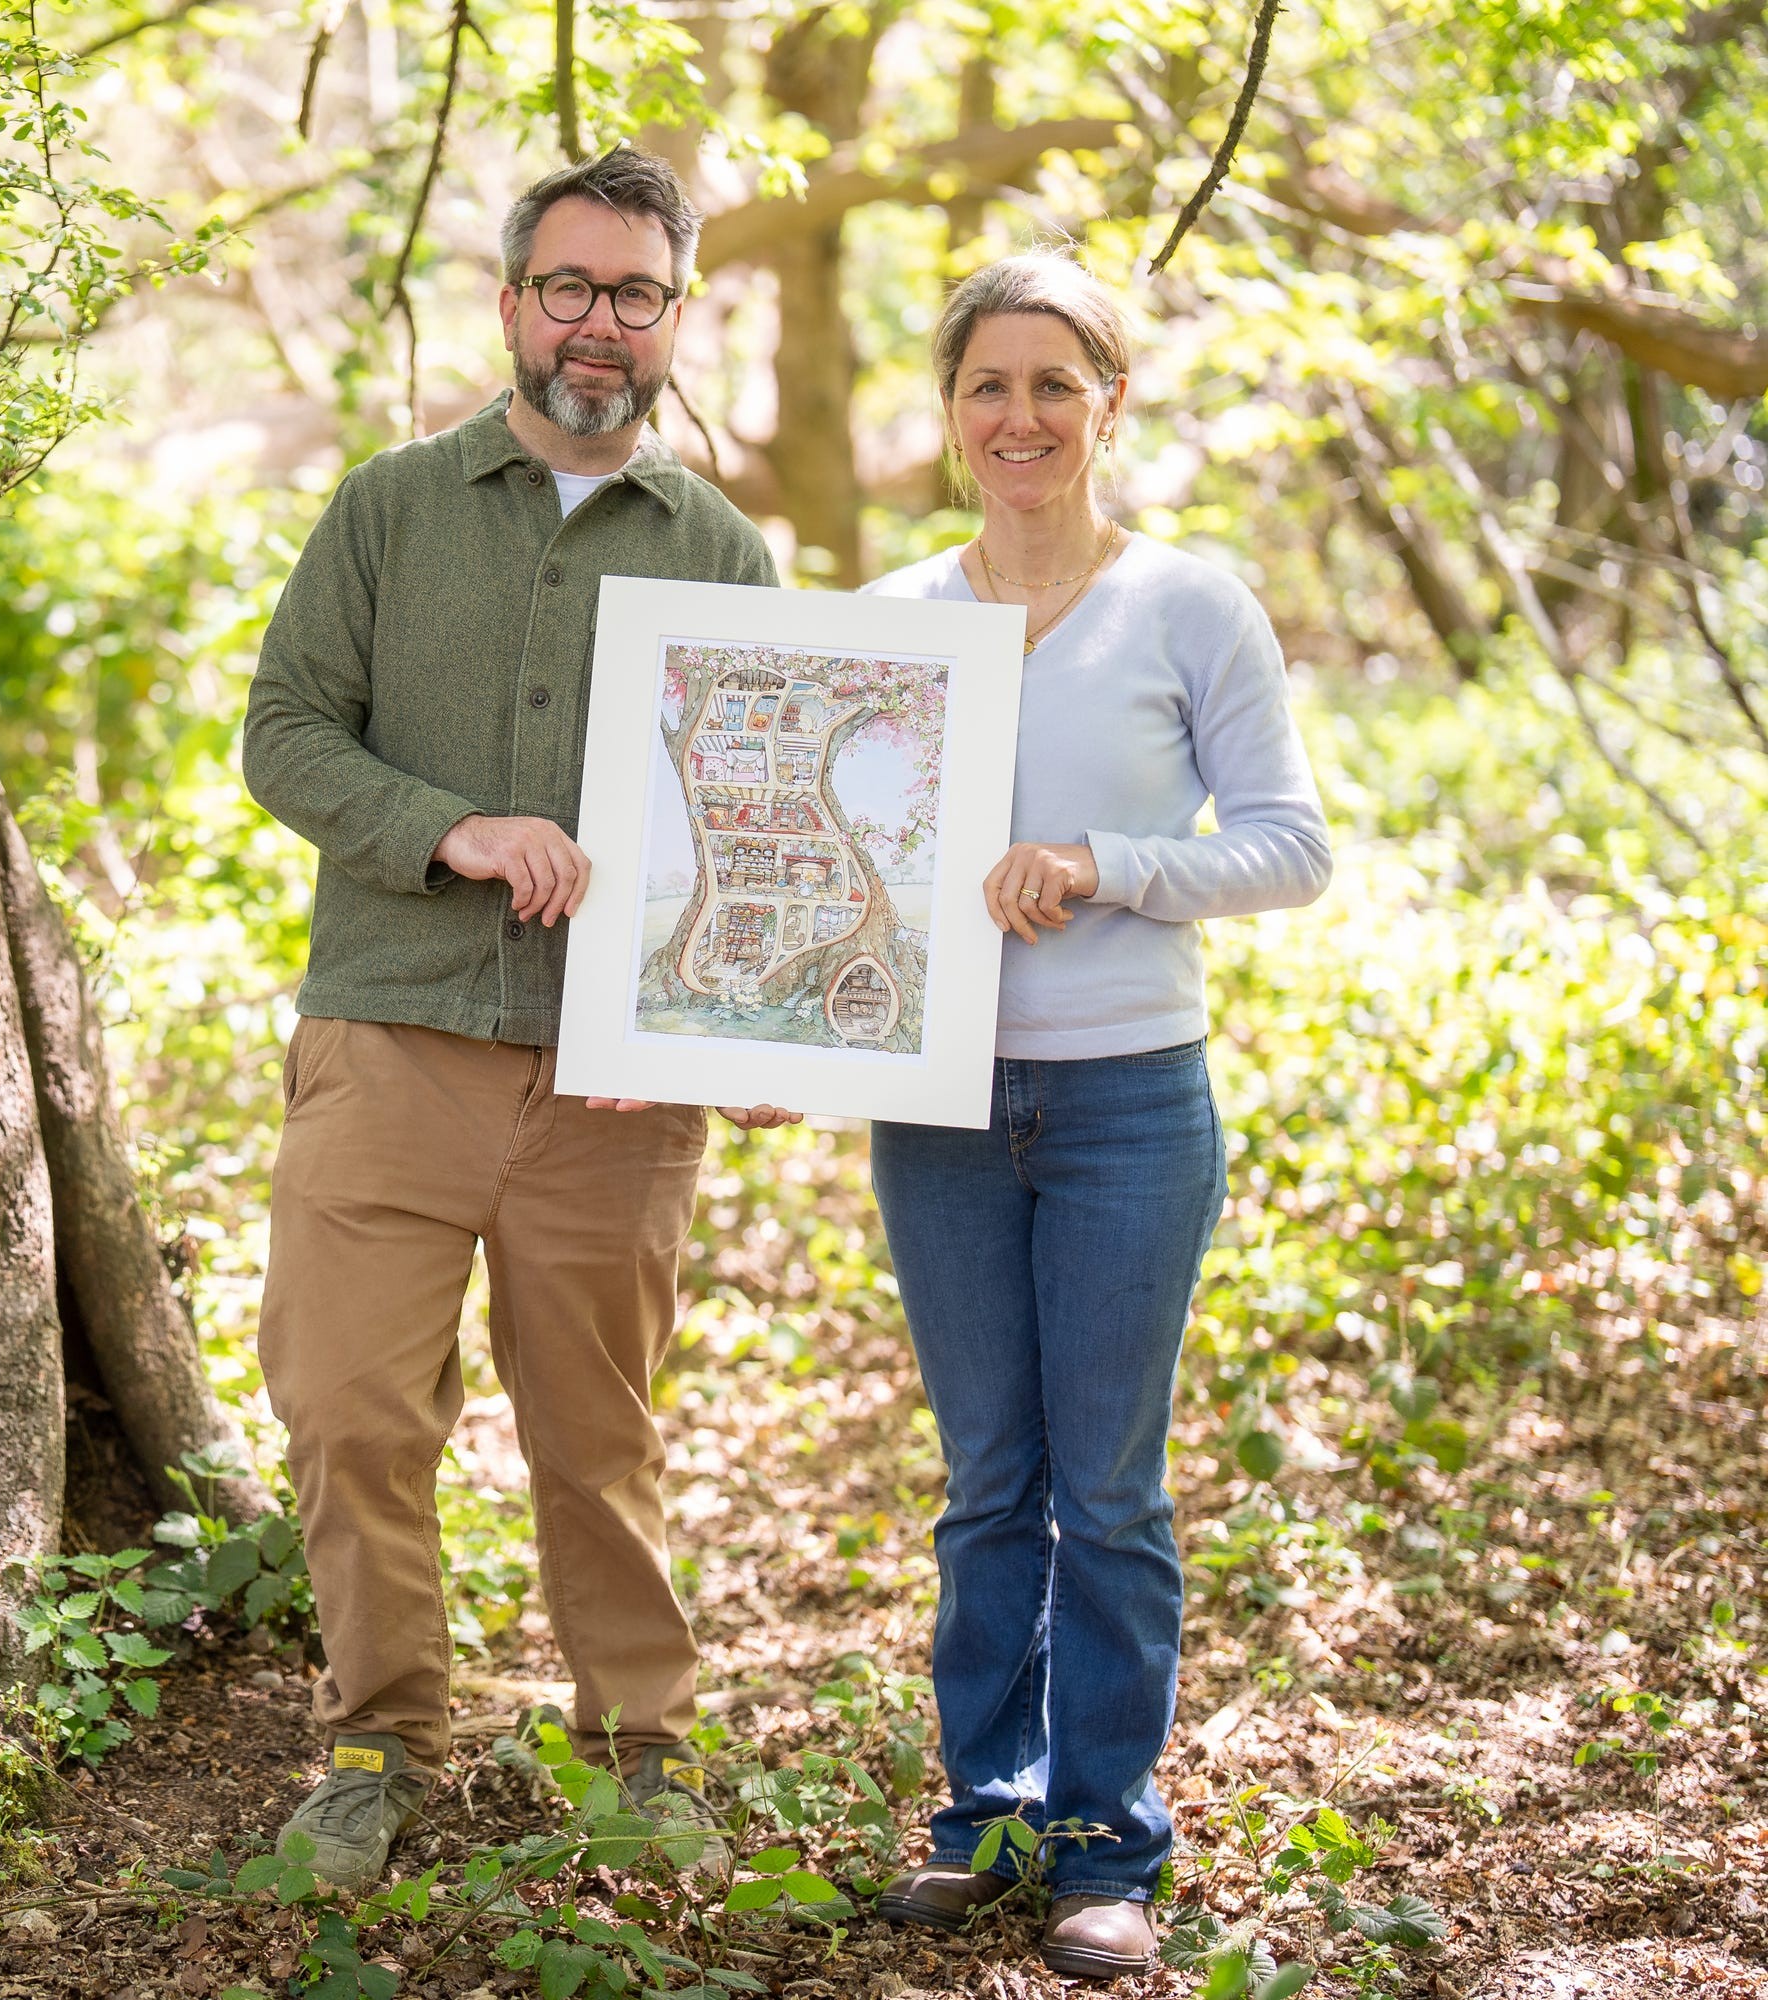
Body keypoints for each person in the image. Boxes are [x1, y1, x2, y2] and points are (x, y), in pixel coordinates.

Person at [240, 147, 796, 1891]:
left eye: (636, 294)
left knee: (598, 1434)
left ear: (676, 317)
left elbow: (765, 819)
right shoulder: (390, 507)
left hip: (613, 1089)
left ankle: (645, 1748)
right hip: (393, 1036)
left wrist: (758, 1023)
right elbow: (284, 730)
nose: (599, 324)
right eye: (569, 286)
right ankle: (381, 1739)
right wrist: (449, 829)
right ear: (509, 303)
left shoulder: (722, 548)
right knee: (346, 1410)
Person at [859, 252, 1334, 1979]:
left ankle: (1106, 1843)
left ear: (1110, 404)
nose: (1022, 417)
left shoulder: (1191, 606)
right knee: (989, 1483)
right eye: (991, 384)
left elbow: (1291, 848)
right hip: (939, 1109)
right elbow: (845, 878)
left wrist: (1110, 865)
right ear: (951, 411)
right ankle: (985, 1809)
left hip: (1134, 1099)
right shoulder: (897, 621)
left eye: (1057, 384)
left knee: (1109, 1493)